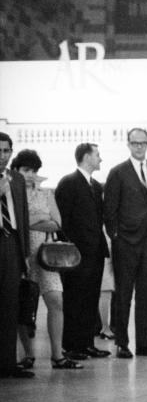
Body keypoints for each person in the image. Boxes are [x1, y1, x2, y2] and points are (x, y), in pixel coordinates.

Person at [103, 128, 147, 358]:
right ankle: (122, 343)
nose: (139, 147)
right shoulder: (118, 172)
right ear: (128, 144)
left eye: (142, 143)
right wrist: (116, 236)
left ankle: (144, 343)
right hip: (126, 241)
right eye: (134, 143)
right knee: (123, 294)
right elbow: (109, 210)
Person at [10, 150, 79, 370]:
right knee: (24, 304)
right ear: (16, 171)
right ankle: (28, 354)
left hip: (46, 255)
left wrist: (30, 220)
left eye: (34, 170)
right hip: (21, 254)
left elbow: (57, 223)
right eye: (25, 170)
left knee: (56, 300)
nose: (30, 175)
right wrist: (42, 217)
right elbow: (14, 222)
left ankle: (57, 355)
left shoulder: (46, 194)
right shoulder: (12, 194)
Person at [55, 142, 112, 362]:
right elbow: (63, 221)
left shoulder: (96, 186)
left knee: (90, 299)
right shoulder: (69, 183)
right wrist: (70, 249)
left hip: (95, 253)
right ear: (87, 157)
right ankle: (71, 346)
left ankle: (87, 343)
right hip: (76, 254)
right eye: (98, 155)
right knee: (74, 299)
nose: (100, 159)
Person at [0, 132, 33, 378]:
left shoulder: (17, 179)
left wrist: (26, 254)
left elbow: (22, 217)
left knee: (10, 305)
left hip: (12, 243)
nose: (2, 156)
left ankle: (8, 363)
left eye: (6, 151)